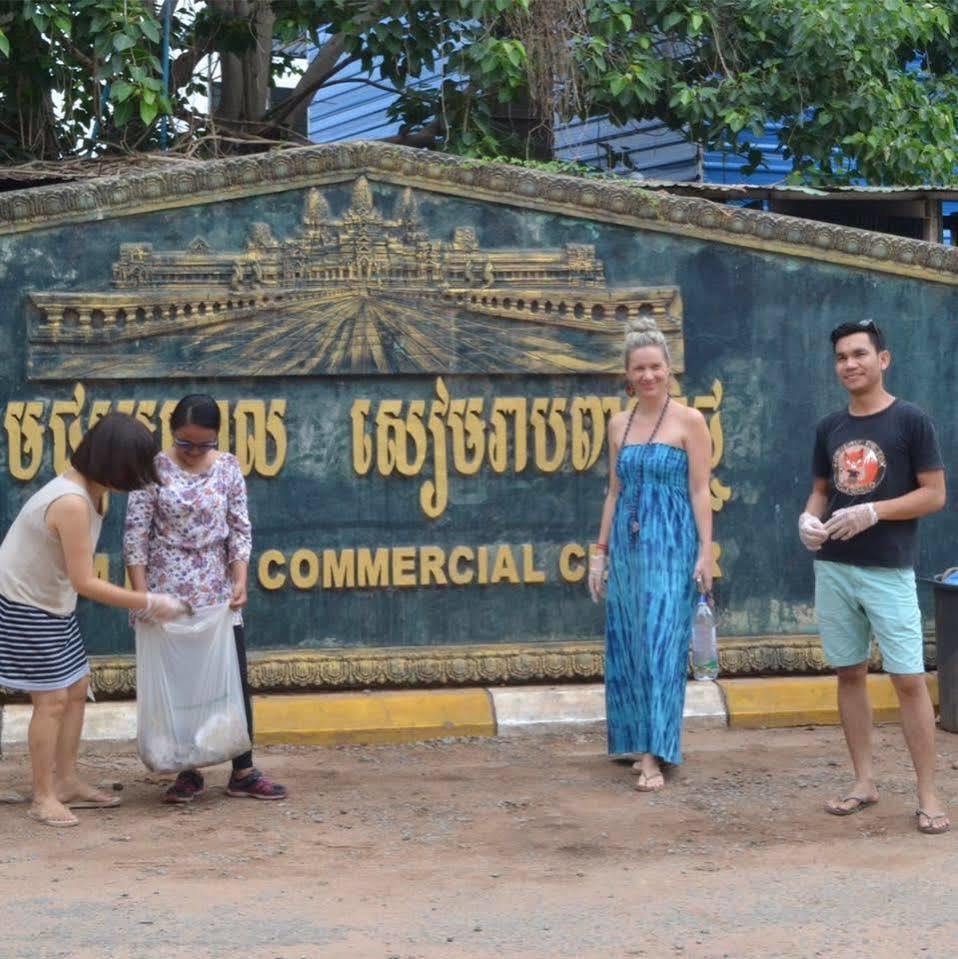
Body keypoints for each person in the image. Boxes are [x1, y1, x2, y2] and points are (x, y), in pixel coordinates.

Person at [799, 319, 949, 835]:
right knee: (849, 673)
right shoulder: (829, 428)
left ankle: (928, 794)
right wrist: (808, 519)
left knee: (908, 679)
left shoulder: (911, 421)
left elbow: (934, 494)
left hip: (888, 569)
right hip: (835, 568)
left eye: (860, 354)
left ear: (882, 360)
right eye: (841, 357)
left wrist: (876, 512)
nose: (850, 364)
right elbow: (822, 489)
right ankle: (864, 781)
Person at [0, 413, 186, 827]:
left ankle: (65, 782)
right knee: (50, 701)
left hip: (51, 601)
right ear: (113, 465)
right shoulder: (71, 502)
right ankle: (42, 796)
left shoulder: (93, 491)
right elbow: (85, 582)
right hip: (24, 603)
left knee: (77, 688)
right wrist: (152, 601)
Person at [123, 394, 287, 803]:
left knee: (232, 674)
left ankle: (243, 770)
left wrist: (240, 578)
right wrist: (140, 594)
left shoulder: (229, 468)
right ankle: (187, 770)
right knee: (181, 681)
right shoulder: (151, 470)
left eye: (204, 444)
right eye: (186, 443)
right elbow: (135, 535)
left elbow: (239, 528)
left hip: (215, 591)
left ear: (217, 439)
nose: (195, 452)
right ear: (171, 433)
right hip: (166, 592)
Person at [588, 317, 713, 792]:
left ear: (669, 369)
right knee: (629, 642)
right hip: (628, 545)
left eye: (655, 367)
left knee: (662, 643)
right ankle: (635, 739)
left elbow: (701, 491)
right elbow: (614, 492)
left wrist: (705, 552)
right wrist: (600, 554)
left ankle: (655, 753)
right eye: (639, 368)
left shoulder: (690, 421)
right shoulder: (618, 424)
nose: (648, 376)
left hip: (673, 544)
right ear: (627, 373)